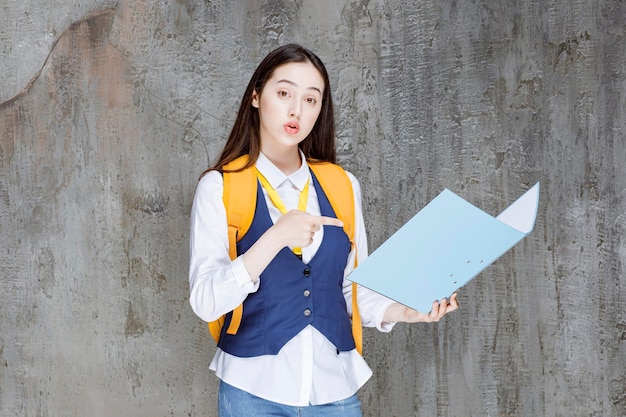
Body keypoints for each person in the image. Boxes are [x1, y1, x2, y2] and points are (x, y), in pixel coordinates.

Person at [188, 43, 459, 417]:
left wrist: (407, 310)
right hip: (251, 393)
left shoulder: (343, 185)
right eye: (283, 93)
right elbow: (205, 301)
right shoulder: (220, 187)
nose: (296, 110)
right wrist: (275, 238)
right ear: (256, 95)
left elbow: (351, 288)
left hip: (335, 394)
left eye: (311, 100)